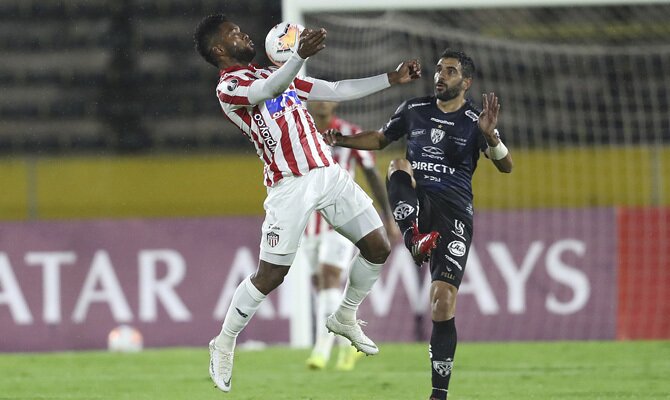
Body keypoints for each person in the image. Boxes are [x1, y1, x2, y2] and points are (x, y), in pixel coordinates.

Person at [193, 14, 421, 393]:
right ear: (219, 49)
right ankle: (225, 341)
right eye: (234, 33)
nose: (243, 33)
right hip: (289, 186)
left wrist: (390, 79)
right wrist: (297, 55)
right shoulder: (230, 87)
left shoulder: (272, 71)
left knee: (378, 247)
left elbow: (333, 89)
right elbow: (266, 92)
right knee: (271, 276)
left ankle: (344, 316)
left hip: (327, 173)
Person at [323, 49, 513, 400]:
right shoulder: (413, 110)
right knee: (397, 164)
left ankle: (439, 394)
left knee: (442, 302)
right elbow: (380, 139)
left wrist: (492, 138)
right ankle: (412, 238)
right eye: (439, 70)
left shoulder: (476, 120)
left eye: (450, 72)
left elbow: (506, 166)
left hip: (453, 213)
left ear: (465, 82)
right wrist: (343, 140)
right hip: (414, 201)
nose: (440, 76)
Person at [302, 101, 400, 372]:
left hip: (342, 222)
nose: (322, 101)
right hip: (310, 223)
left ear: (334, 102)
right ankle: (347, 347)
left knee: (330, 276)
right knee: (321, 284)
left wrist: (388, 219)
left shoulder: (348, 133)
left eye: (327, 96)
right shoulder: (300, 131)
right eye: (317, 96)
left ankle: (320, 351)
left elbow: (372, 175)